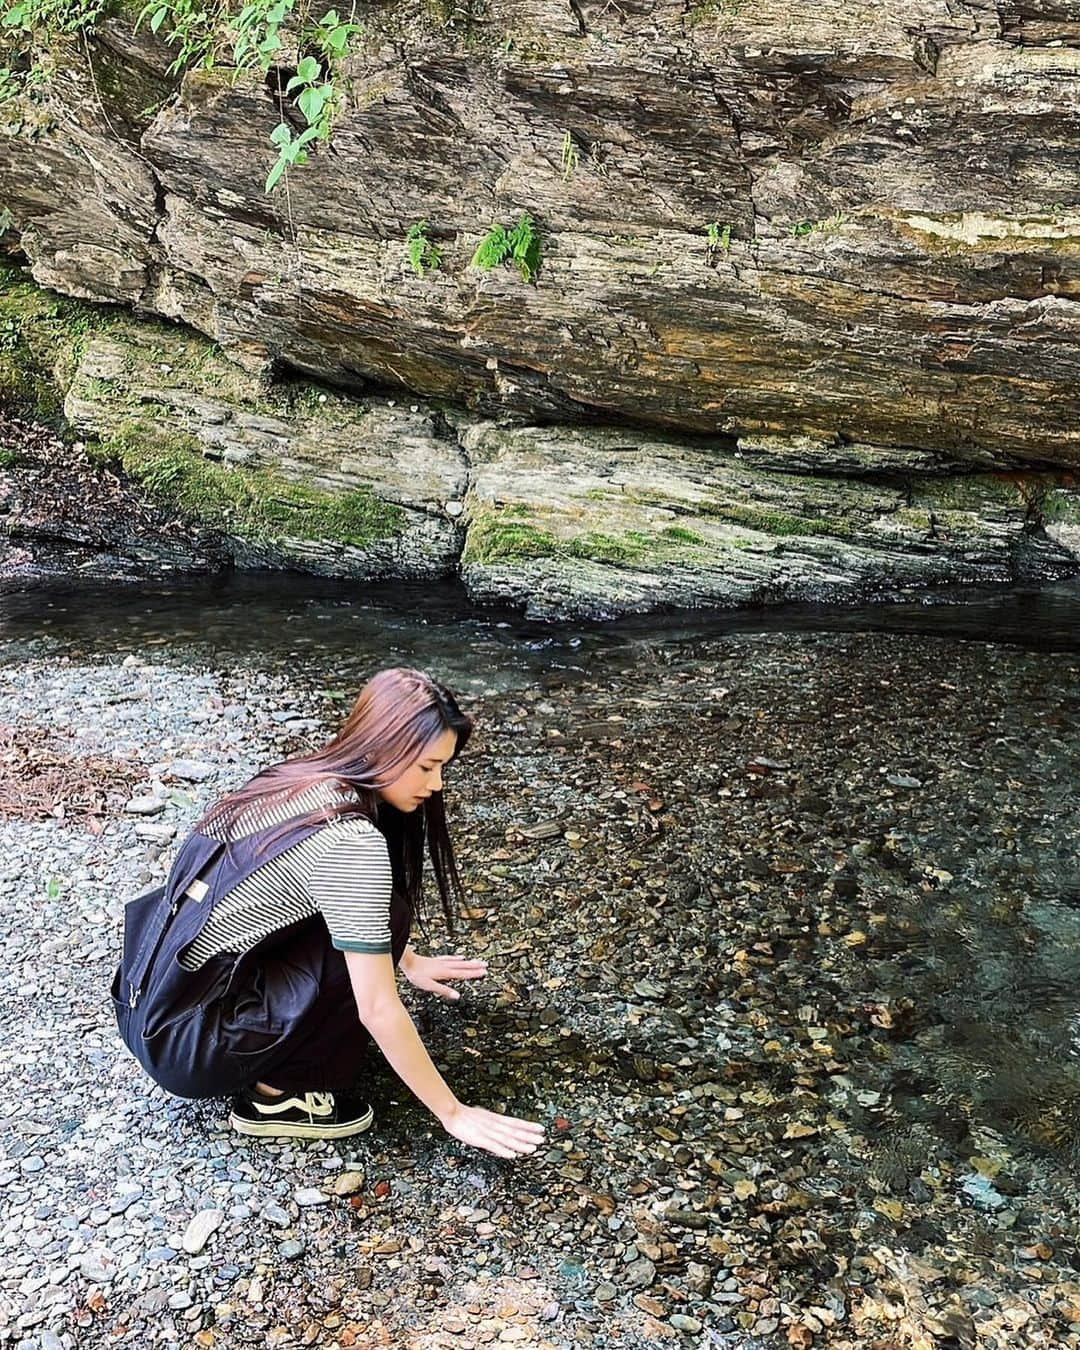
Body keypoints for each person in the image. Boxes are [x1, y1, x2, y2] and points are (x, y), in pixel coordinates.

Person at [112, 666, 544, 1160]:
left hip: (144, 1002)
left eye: (443, 767)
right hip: (188, 1047)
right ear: (383, 746)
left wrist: (410, 962)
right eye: (427, 767)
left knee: (383, 918)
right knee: (383, 925)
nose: (438, 784)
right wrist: (454, 1113)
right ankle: (279, 1097)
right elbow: (377, 1008)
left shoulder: (301, 782)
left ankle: (263, 1055)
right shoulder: (352, 844)